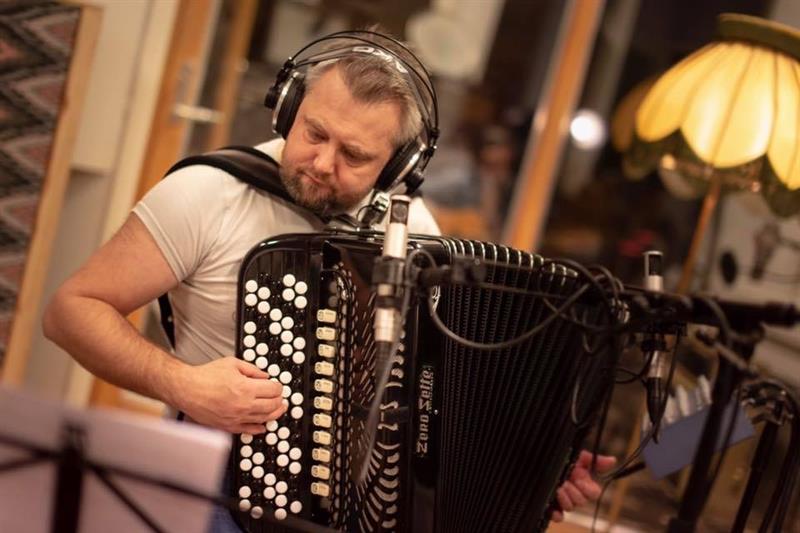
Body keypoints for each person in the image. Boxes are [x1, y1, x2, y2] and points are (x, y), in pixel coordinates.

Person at [43, 30, 613, 529]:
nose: (321, 162)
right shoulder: (207, 194)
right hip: (223, 476)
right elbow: (71, 309)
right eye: (314, 133)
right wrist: (181, 384)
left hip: (366, 498)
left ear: (396, 165)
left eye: (354, 155)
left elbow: (443, 386)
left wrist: (534, 471)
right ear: (289, 109)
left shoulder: (411, 229)